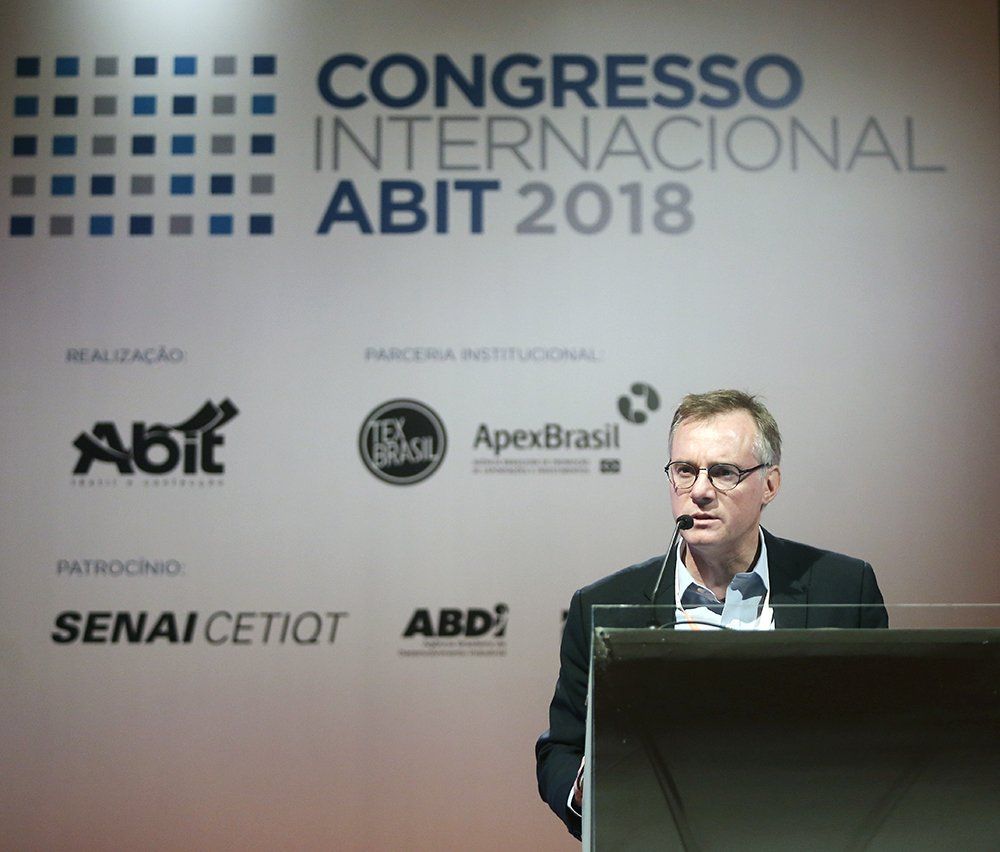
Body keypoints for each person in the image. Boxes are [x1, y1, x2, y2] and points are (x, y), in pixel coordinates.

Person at [535, 389, 888, 839]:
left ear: (770, 485)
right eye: (685, 471)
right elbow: (562, 750)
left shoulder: (844, 589)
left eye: (723, 472)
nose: (700, 492)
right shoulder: (603, 607)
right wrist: (585, 790)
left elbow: (887, 740)